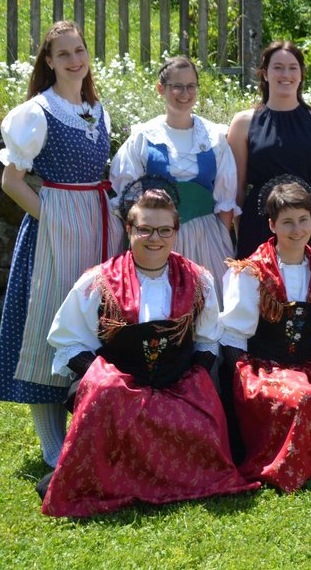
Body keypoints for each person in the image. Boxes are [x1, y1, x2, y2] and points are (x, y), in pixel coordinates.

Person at [42, 187, 257, 517]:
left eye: (164, 230)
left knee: (201, 412)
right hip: (120, 388)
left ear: (175, 232)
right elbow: (68, 341)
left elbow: (206, 340)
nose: (154, 238)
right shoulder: (97, 281)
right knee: (110, 394)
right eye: (144, 229)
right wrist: (107, 378)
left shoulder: (198, 279)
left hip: (176, 383)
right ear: (129, 230)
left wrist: (193, 376)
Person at [0, 20, 123, 472]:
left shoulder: (96, 109)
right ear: (48, 61)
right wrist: (53, 220)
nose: (74, 60)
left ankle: (92, 424)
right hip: (55, 229)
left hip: (98, 225)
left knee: (90, 324)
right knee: (50, 325)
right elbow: (11, 180)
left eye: (80, 50)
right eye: (63, 54)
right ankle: (52, 444)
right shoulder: (36, 112)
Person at [221, 179, 311, 491]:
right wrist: (241, 379)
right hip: (265, 364)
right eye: (287, 222)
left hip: (306, 363)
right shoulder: (251, 272)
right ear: (272, 225)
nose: (297, 229)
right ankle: (289, 466)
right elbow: (234, 334)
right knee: (300, 398)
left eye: (303, 220)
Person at [111, 56, 238, 297]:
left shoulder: (214, 137)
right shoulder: (143, 137)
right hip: (156, 238)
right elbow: (127, 196)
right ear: (161, 89)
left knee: (206, 302)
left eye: (191, 86)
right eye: (176, 86)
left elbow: (225, 197)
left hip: (205, 237)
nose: (184, 93)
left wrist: (219, 240)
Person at [228, 40, 311, 264]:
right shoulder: (243, 122)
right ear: (265, 74)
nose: (285, 74)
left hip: (309, 226)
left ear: (301, 74)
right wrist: (241, 234)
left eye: (292, 68)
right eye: (277, 67)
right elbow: (237, 188)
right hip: (258, 225)